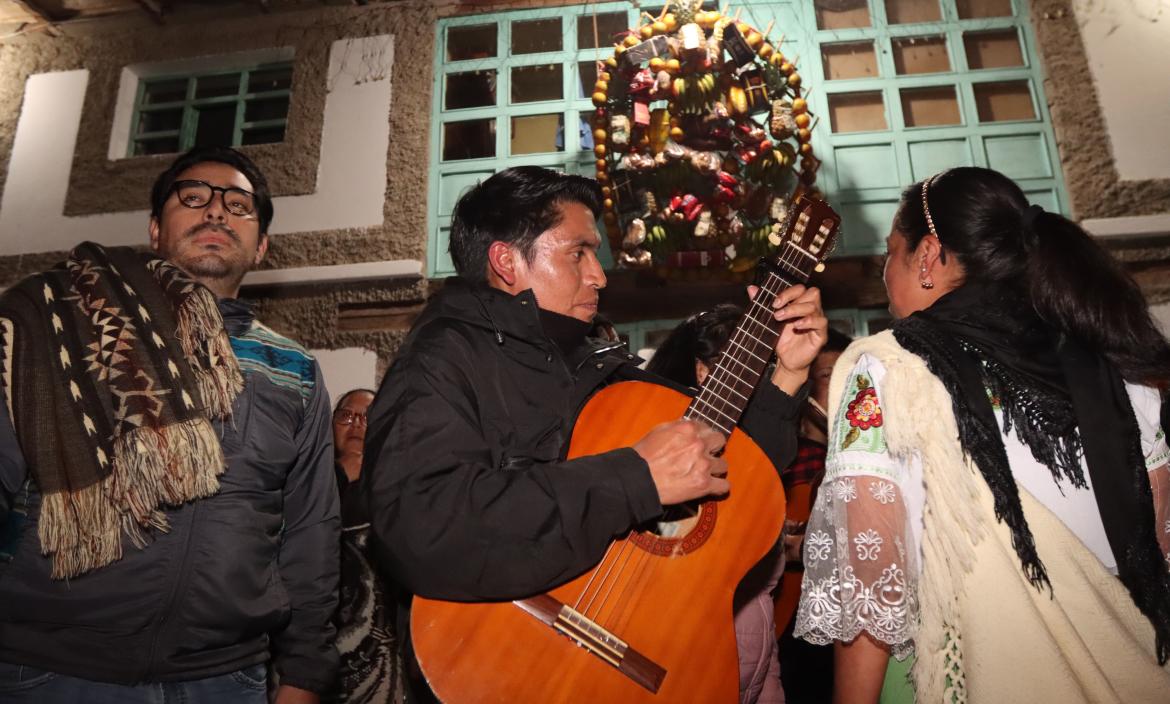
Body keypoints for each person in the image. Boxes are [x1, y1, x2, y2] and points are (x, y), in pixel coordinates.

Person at [362, 166, 827, 701]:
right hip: (503, 660)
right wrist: (632, 477)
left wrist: (787, 376)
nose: (600, 275)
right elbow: (422, 525)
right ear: (507, 261)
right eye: (577, 253)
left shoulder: (600, 361)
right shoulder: (443, 358)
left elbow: (730, 496)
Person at [793, 167, 1170, 703]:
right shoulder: (1119, 374)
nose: (885, 275)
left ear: (926, 256)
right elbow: (1159, 553)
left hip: (964, 672)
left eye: (889, 256)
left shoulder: (886, 368)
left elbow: (871, 588)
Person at [0, 146, 340, 703]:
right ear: (156, 230)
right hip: (47, 671)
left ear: (262, 246)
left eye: (238, 204)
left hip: (226, 679)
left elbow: (311, 533)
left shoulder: (294, 370)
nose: (215, 212)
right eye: (194, 198)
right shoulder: (59, 327)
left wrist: (305, 675)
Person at [645, 303, 808, 704]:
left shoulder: (767, 436)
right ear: (703, 371)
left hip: (756, 650)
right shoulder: (665, 445)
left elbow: (762, 616)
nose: (764, 379)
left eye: (769, 365)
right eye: (750, 364)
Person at [330, 388, 404, 704]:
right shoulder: (304, 483)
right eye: (347, 415)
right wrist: (338, 476)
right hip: (311, 655)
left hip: (382, 662)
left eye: (368, 417)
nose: (357, 424)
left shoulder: (399, 488)